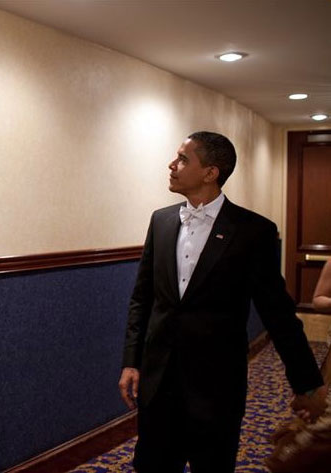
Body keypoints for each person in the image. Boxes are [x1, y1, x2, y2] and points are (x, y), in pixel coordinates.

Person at [118, 131, 324, 472]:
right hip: (159, 385)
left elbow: (279, 314)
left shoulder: (253, 231)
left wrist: (306, 384)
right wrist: (131, 361)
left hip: (215, 387)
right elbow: (142, 298)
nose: (172, 165)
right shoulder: (161, 221)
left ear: (210, 173)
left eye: (183, 159)